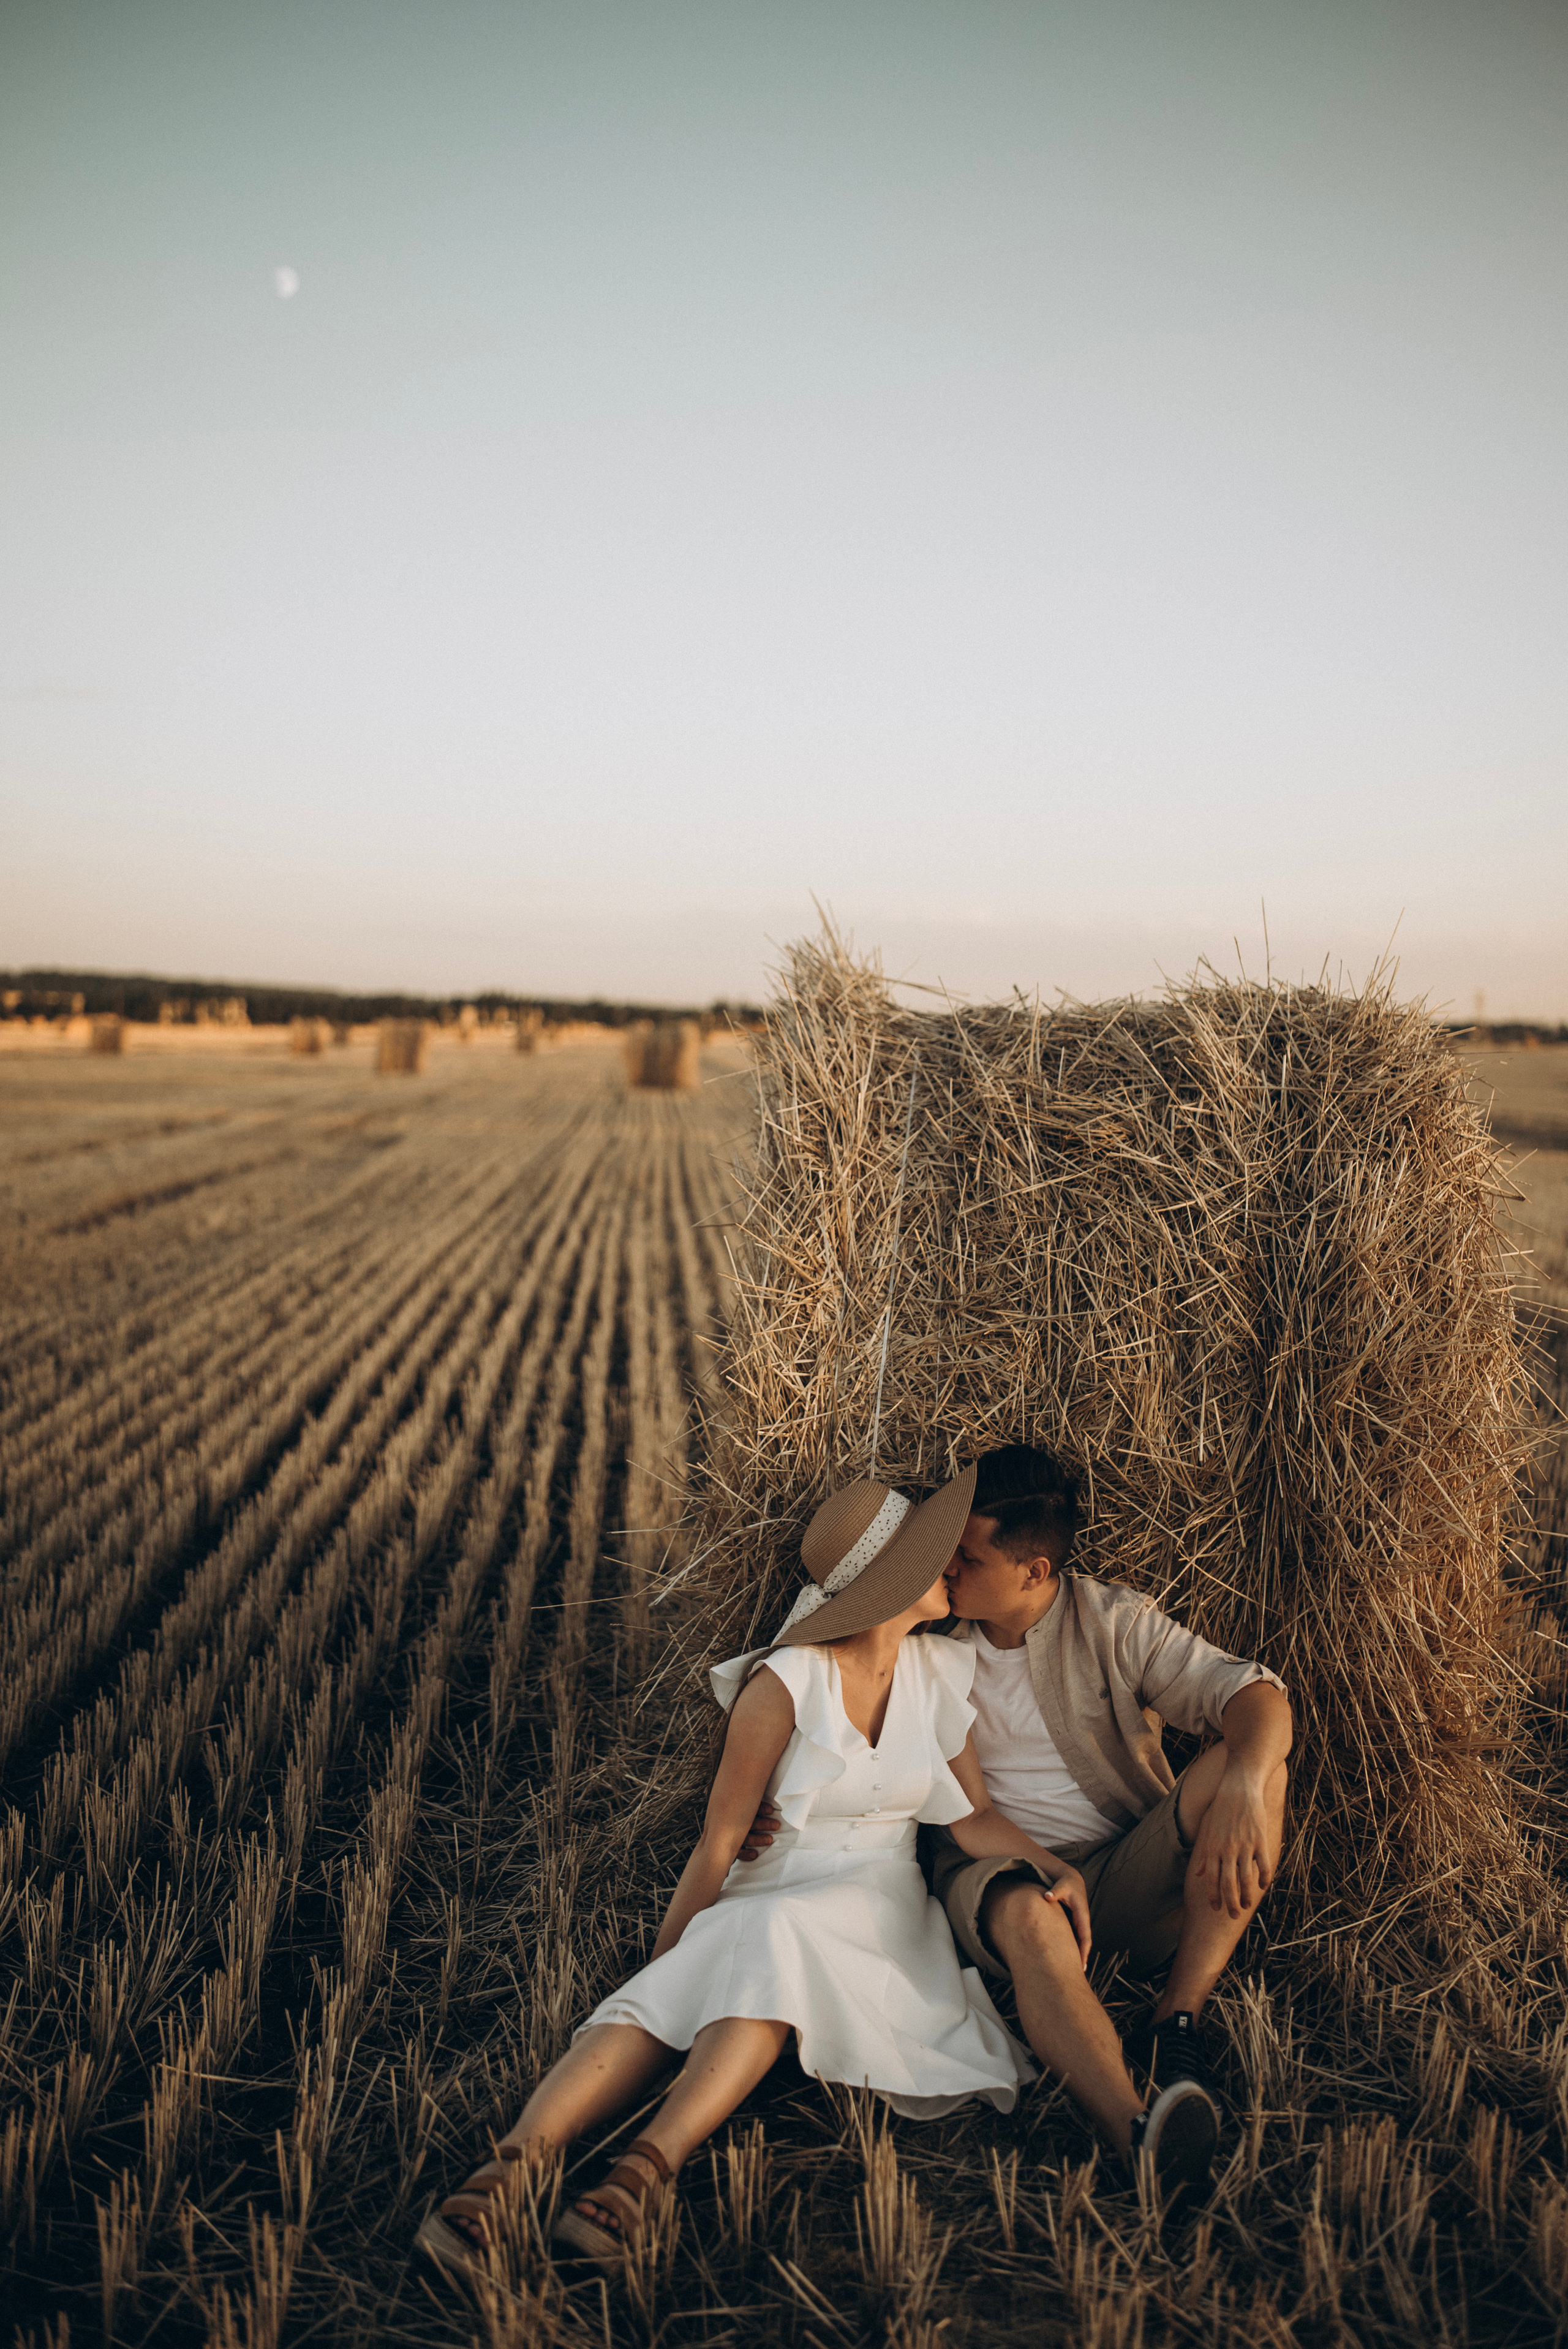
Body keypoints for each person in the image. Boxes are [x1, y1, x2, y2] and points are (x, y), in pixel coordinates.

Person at [417, 1465, 1218, 2284]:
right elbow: (720, 1841)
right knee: (711, 1964)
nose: (950, 1565)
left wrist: (1056, 1869)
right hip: (775, 1885)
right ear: (892, 1583)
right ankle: (521, 2167)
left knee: (763, 1952)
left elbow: (970, 1816)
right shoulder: (782, 1684)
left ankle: (640, 2165)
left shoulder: (939, 1673)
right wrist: (668, 1956)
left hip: (879, 1908)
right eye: (932, 1557)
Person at [744, 1445, 1293, 2177]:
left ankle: (1176, 2020)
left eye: (967, 1558)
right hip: (992, 1868)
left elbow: (1255, 1695)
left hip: (1124, 1869)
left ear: (1034, 1572)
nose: (945, 1568)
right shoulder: (926, 1632)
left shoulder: (1112, 1623)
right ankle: (1138, 2132)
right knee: (1034, 1913)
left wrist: (1245, 1782)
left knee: (1253, 1767)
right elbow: (821, 1694)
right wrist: (768, 1805)